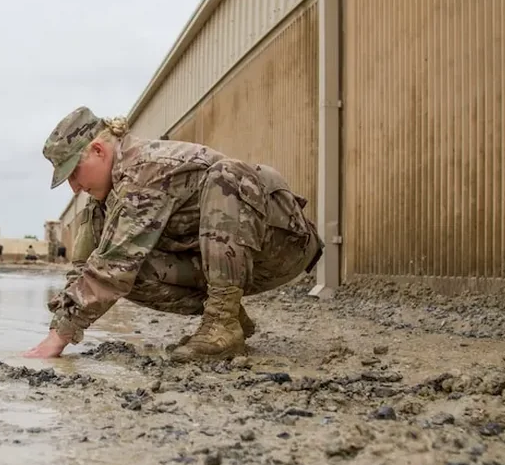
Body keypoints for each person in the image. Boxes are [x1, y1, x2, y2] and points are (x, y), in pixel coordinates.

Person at [24, 106, 323, 361]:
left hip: (282, 245)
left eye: (74, 173)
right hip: (228, 259)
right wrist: (55, 331)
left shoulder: (146, 169)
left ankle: (222, 321)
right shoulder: (102, 205)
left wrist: (60, 336)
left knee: (226, 175)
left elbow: (114, 267)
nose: (74, 187)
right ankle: (231, 322)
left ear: (99, 151)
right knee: (129, 270)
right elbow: (86, 267)